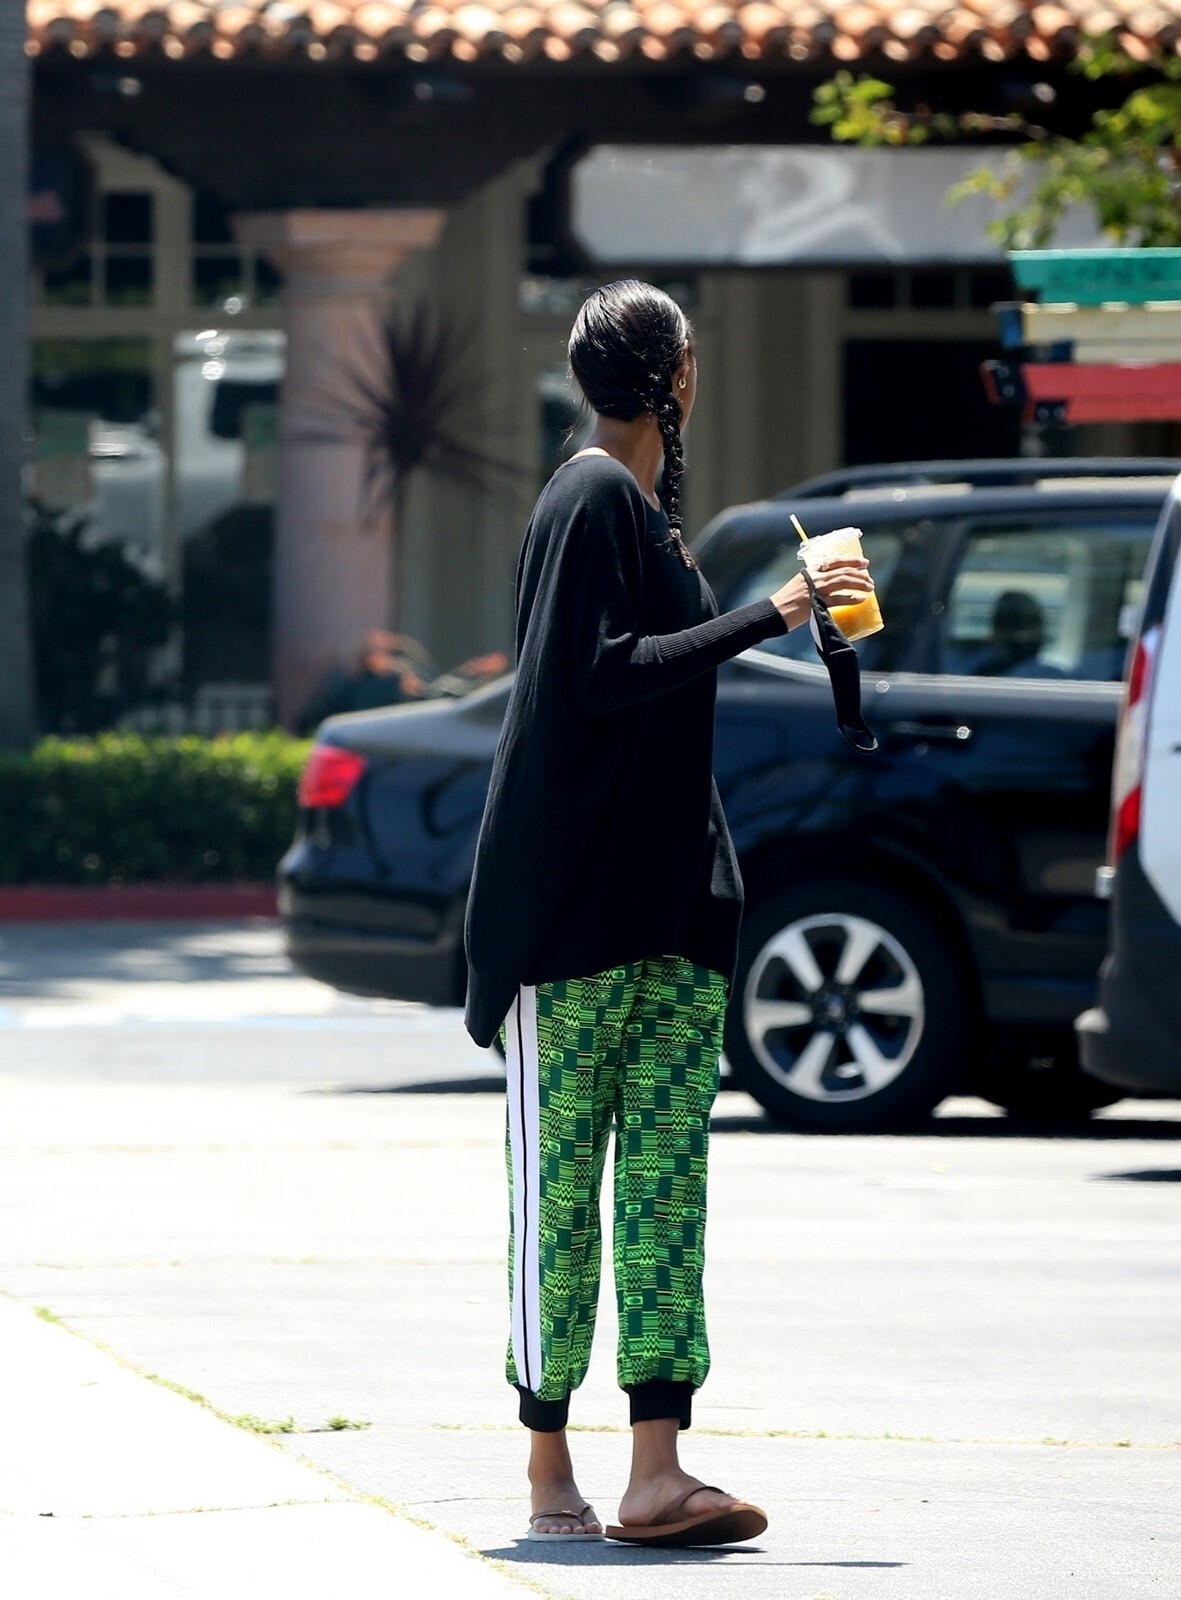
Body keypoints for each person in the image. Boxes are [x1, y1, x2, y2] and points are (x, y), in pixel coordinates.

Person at [459, 282, 874, 1547]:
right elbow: (593, 678)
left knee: (659, 1194)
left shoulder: (642, 517)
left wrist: (806, 630)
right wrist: (773, 610)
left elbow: (656, 686)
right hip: (570, 923)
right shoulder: (586, 496)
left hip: (674, 916)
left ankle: (654, 1470)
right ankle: (547, 1467)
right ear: (676, 376)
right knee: (560, 1200)